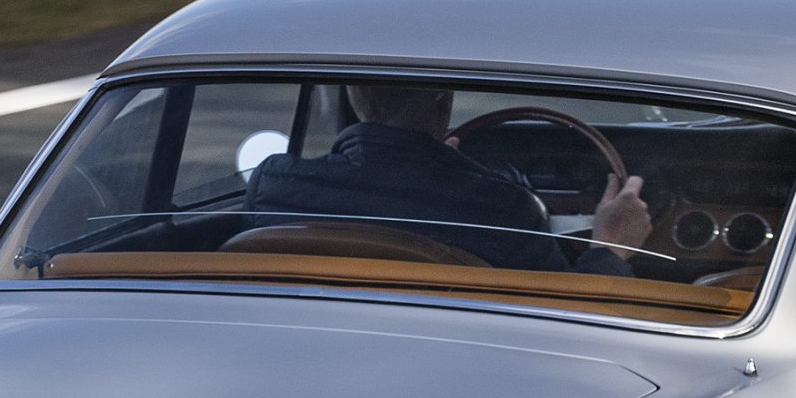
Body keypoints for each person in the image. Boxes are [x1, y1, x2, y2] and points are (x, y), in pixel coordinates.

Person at [239, 85, 653, 275]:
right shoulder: (504, 209)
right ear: (443, 101)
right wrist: (609, 247)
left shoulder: (276, 185)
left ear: (353, 96)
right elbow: (570, 322)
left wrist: (439, 173)